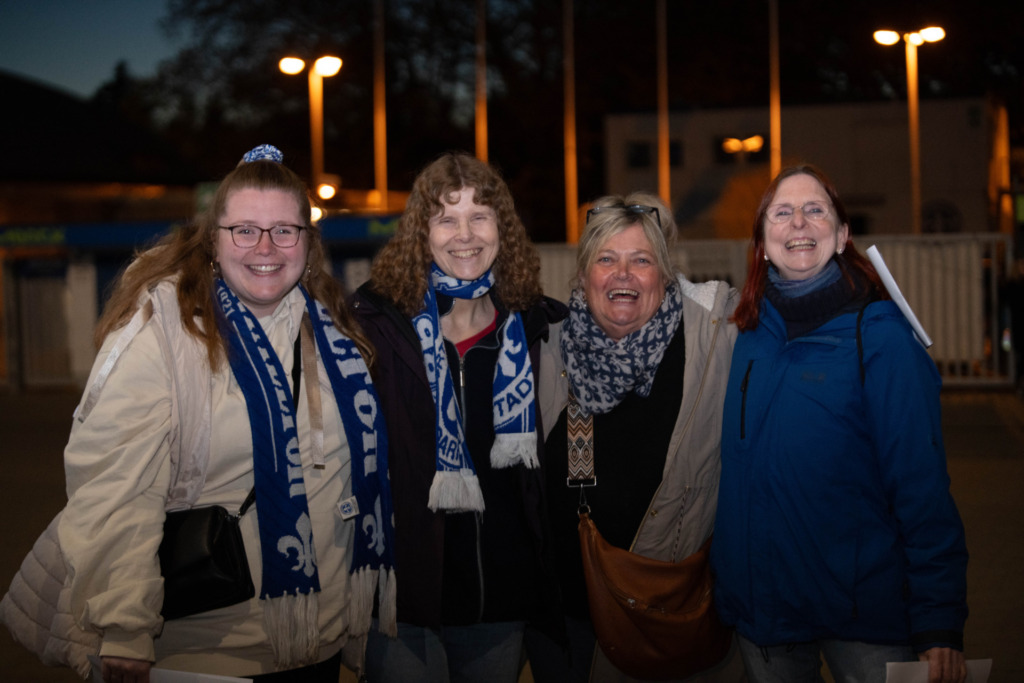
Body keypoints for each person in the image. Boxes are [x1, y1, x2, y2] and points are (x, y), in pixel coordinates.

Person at [8, 144, 396, 682]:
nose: (266, 247)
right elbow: (116, 485)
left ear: (308, 242)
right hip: (206, 647)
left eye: (285, 230)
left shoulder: (332, 330)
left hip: (319, 639)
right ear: (213, 239)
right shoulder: (164, 331)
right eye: (245, 230)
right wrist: (125, 624)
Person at [711, 164, 969, 683]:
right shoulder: (746, 337)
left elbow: (921, 487)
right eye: (782, 213)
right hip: (765, 613)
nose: (798, 223)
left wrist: (938, 620)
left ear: (843, 234)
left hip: (862, 615)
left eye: (815, 210)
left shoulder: (883, 339)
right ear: (762, 243)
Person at [349, 152, 567, 682]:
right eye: (446, 219)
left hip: (501, 602)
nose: (464, 235)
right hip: (402, 604)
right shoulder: (375, 329)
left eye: (479, 217)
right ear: (420, 233)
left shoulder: (536, 329)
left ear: (502, 229)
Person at [525, 192, 746, 683]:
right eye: (606, 259)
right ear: (583, 275)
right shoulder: (547, 344)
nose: (622, 274)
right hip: (564, 623)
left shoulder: (713, 343)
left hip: (663, 617)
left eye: (641, 260)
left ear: (665, 275)